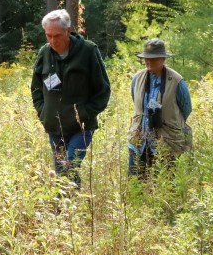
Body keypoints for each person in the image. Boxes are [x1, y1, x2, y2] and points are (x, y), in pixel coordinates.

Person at [31, 9, 112, 186]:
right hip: (54, 126)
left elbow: (103, 90)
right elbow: (36, 87)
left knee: (68, 166)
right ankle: (67, 209)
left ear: (68, 31)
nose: (52, 41)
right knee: (62, 172)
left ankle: (69, 208)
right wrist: (43, 112)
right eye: (48, 36)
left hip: (81, 127)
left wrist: (84, 113)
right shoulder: (44, 53)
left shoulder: (88, 51)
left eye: (57, 36)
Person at [127, 38, 192, 176]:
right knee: (135, 182)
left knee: (165, 185)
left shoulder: (177, 81)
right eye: (146, 58)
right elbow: (136, 103)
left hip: (167, 140)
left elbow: (186, 109)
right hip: (139, 138)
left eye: (154, 58)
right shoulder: (137, 79)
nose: (149, 61)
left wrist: (168, 119)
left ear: (163, 59)